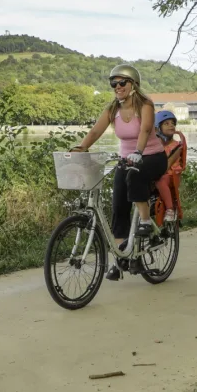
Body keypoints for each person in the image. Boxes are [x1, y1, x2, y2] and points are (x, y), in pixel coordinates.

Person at [71, 64, 167, 280]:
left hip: (152, 157)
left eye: (121, 82)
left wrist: (139, 152)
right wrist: (81, 147)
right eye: (113, 83)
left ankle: (144, 221)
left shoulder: (146, 105)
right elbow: (96, 130)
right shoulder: (113, 109)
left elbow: (144, 130)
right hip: (127, 159)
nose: (117, 86)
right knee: (118, 206)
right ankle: (121, 258)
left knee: (136, 175)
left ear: (133, 84)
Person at [154, 110, 187, 221]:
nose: (171, 125)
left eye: (172, 123)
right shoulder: (154, 146)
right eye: (166, 123)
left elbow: (166, 167)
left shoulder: (176, 146)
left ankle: (170, 210)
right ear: (158, 128)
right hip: (157, 173)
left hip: (170, 175)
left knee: (161, 179)